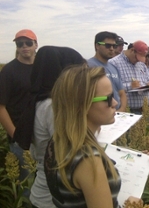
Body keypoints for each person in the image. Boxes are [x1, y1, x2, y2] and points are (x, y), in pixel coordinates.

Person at [44, 65, 143, 207]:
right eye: (108, 98)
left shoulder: (58, 142)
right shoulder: (88, 159)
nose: (115, 103)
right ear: (83, 105)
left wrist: (138, 161)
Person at [28, 46, 85, 208]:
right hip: (54, 198)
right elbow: (74, 154)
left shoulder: (39, 101)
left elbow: (35, 152)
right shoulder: (54, 107)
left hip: (44, 193)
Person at [0, 29, 38, 193]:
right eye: (19, 44)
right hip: (21, 139)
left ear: (36, 44)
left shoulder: (41, 69)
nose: (24, 47)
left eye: (28, 43)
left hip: (42, 136)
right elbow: (1, 107)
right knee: (26, 186)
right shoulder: (9, 71)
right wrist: (16, 136)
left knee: (43, 182)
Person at [109, 40, 149, 114]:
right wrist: (130, 86)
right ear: (132, 50)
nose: (138, 61)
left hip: (144, 109)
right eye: (137, 58)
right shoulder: (114, 63)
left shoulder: (141, 64)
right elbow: (111, 87)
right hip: (127, 111)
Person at [87, 31, 127, 111]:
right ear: (97, 46)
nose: (112, 49)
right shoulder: (88, 67)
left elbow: (122, 93)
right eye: (108, 46)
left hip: (116, 115)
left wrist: (121, 111)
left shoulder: (114, 68)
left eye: (114, 46)